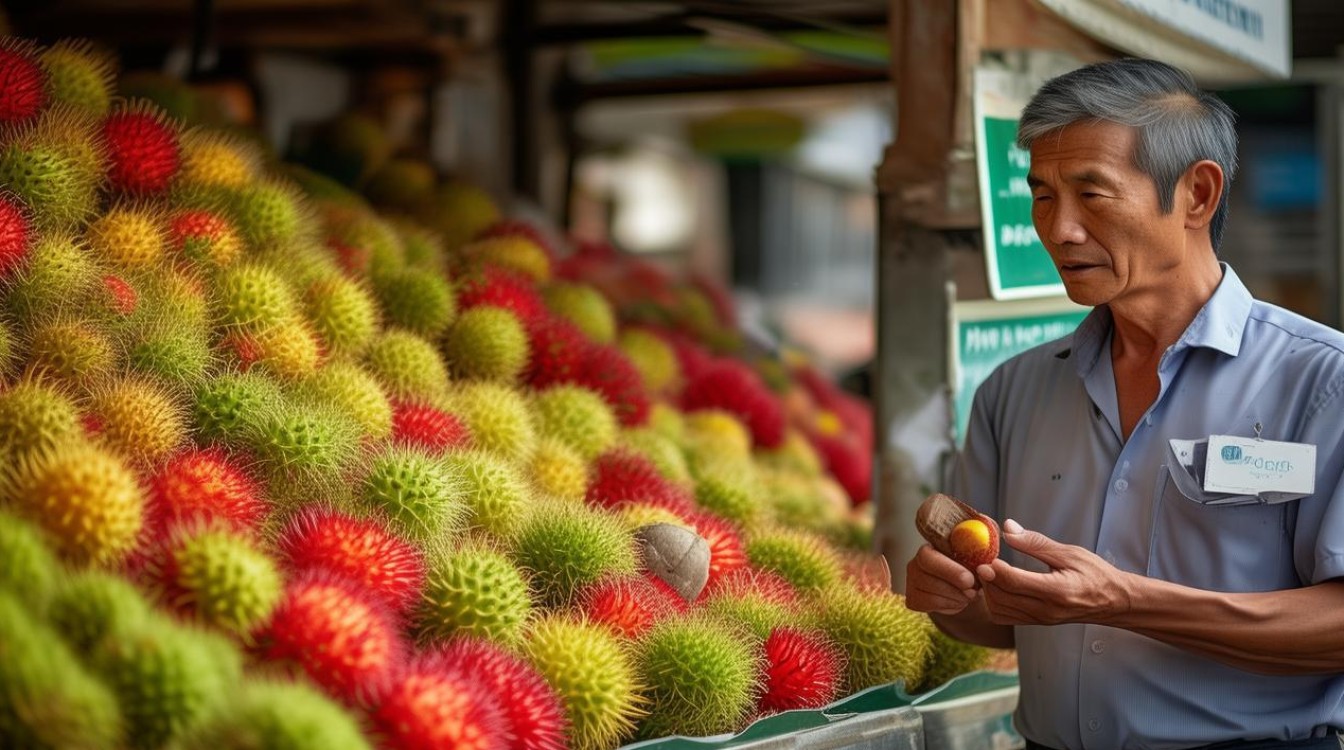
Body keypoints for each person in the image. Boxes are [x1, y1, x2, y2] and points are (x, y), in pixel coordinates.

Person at [904, 58, 1344, 749]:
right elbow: (996, 618)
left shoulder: (1321, 382)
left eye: (1092, 194)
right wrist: (951, 599)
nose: (1060, 229)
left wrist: (1125, 601)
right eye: (1042, 196)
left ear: (1197, 195)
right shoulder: (1013, 392)